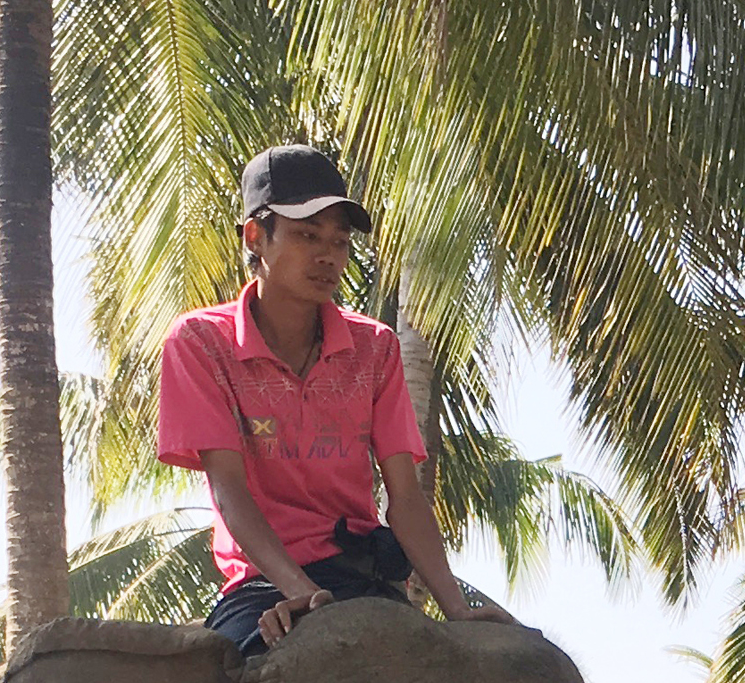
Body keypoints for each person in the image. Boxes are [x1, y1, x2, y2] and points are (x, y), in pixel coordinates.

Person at [154, 146, 510, 655]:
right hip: (263, 588)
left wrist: (457, 607)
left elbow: (405, 498)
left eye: (339, 242)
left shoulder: (375, 348)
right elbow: (230, 491)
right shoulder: (200, 342)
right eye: (306, 236)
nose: (328, 256)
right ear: (256, 237)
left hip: (363, 578)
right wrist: (302, 594)